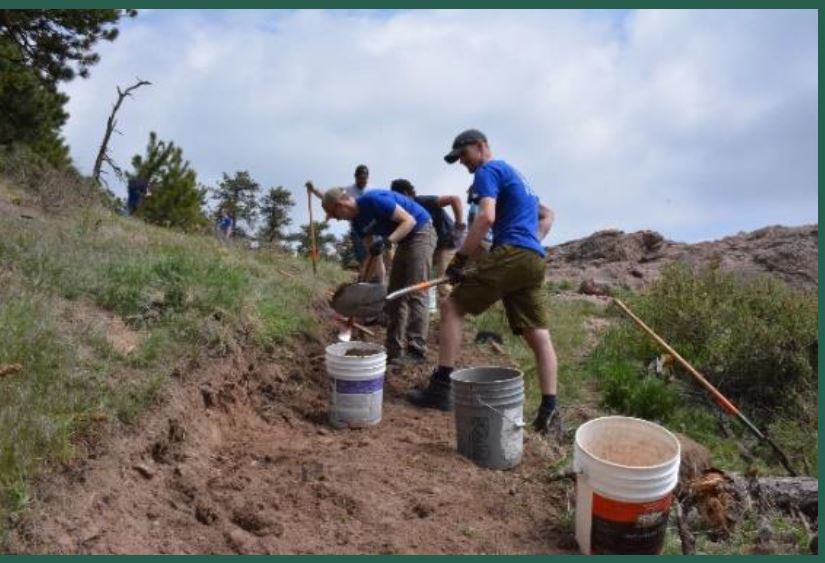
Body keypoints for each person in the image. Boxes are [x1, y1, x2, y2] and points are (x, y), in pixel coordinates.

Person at [406, 129, 559, 434]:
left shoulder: (488, 170)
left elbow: (486, 217)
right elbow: (547, 214)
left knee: (451, 306)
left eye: (463, 155)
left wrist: (461, 260)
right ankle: (550, 411)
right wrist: (532, 243)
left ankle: (441, 387)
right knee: (538, 335)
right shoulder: (516, 175)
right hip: (533, 259)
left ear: (480, 146)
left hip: (513, 252)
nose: (463, 163)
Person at [322, 187, 436, 365]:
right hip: (404, 240)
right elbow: (372, 254)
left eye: (335, 214)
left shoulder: (372, 200)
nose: (337, 219)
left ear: (341, 204)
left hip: (421, 230)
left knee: (416, 289)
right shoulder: (357, 224)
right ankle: (394, 351)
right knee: (394, 295)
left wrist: (386, 242)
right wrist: (360, 285)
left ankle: (417, 350)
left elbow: (409, 221)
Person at [389, 178, 466, 300]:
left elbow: (454, 199)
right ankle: (429, 307)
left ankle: (451, 315)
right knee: (418, 277)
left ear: (404, 193)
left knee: (444, 283)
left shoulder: (424, 201)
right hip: (431, 245)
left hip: (448, 242)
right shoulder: (404, 211)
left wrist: (459, 225)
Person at [308, 164, 385, 282]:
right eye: (360, 178)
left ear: (368, 178)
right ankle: (366, 280)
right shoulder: (347, 190)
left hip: (374, 228)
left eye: (364, 178)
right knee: (363, 257)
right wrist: (314, 190)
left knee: (377, 256)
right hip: (357, 229)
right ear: (355, 177)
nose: (362, 181)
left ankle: (381, 281)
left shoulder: (373, 190)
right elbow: (329, 197)